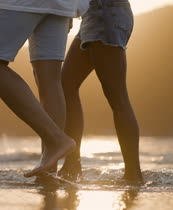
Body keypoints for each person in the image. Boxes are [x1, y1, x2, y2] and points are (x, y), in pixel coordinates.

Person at [0, 0, 88, 177]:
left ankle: (56, 139)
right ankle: (49, 171)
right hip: (61, 4)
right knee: (49, 79)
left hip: (18, 3)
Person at [56, 0, 144, 183]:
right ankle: (72, 164)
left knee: (117, 97)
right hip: (94, 15)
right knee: (66, 86)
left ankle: (133, 175)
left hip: (106, 14)